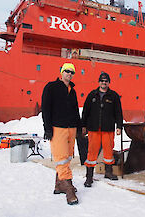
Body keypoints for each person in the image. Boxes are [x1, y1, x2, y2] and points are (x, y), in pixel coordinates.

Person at [41, 63, 81, 205]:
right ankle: (68, 187)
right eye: (67, 71)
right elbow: (45, 108)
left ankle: (59, 185)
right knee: (61, 157)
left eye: (72, 72)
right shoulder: (51, 87)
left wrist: (79, 126)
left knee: (68, 156)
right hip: (58, 128)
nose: (69, 74)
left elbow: (76, 110)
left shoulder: (73, 91)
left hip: (71, 128)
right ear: (61, 72)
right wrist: (47, 128)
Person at [81, 72, 123, 187]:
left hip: (108, 128)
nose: (104, 83)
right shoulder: (92, 95)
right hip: (93, 128)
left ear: (109, 83)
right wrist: (83, 126)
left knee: (109, 150)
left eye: (106, 81)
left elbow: (118, 112)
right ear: (99, 82)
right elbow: (85, 111)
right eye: (102, 81)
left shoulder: (113, 96)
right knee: (92, 152)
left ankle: (108, 172)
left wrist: (119, 126)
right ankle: (89, 176)